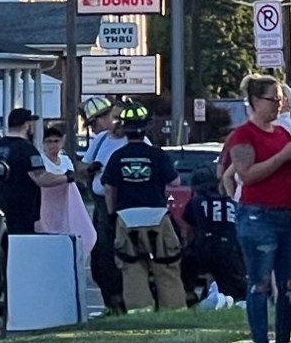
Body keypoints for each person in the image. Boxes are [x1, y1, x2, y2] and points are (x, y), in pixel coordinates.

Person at [227, 74, 291, 343]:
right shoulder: (243, 136)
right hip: (257, 214)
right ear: (254, 101)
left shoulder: (283, 134)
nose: (278, 105)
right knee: (260, 282)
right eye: (272, 99)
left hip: (287, 214)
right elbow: (247, 175)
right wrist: (282, 157)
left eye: (280, 99)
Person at [102, 104, 187, 310]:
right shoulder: (157, 155)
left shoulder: (117, 157)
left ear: (125, 130)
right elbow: (175, 182)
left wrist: (112, 215)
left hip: (127, 216)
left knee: (132, 266)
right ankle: (174, 308)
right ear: (146, 128)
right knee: (166, 264)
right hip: (157, 215)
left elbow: (108, 189)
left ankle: (140, 309)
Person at [0, 108, 70, 236]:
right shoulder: (27, 150)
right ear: (26, 125)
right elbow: (41, 178)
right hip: (21, 212)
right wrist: (66, 177)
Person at [83, 99, 127, 311]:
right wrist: (91, 168)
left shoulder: (137, 140)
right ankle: (111, 302)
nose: (115, 123)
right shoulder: (101, 140)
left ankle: (127, 301)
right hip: (101, 205)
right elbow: (82, 166)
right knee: (101, 255)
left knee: (125, 254)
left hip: (126, 204)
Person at [181, 167, 246, 304]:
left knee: (184, 266)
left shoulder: (196, 202)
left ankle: (189, 295)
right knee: (234, 291)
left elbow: (190, 230)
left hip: (204, 250)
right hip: (230, 252)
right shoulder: (232, 203)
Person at [36, 125, 97, 259]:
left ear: (61, 143)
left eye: (56, 141)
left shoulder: (65, 160)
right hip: (46, 205)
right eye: (49, 141)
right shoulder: (40, 161)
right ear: (43, 144)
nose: (53, 145)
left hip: (65, 205)